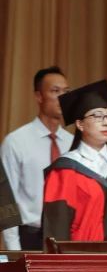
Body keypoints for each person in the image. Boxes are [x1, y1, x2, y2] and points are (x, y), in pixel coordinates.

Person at [1, 66, 72, 249]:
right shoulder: (16, 142)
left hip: (66, 238)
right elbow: (7, 200)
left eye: (66, 92)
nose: (62, 97)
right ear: (39, 96)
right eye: (55, 91)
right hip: (30, 237)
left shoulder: (72, 143)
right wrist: (14, 249)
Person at [41, 80, 107, 242]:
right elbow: (56, 227)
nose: (106, 122)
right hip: (80, 253)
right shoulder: (65, 170)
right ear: (80, 124)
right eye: (97, 116)